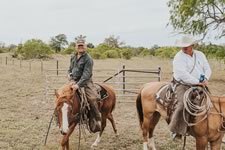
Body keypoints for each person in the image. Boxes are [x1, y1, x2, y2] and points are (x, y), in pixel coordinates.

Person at [169, 36, 212, 137]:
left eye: (186, 46)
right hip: (183, 84)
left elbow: (207, 68)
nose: (184, 48)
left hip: (200, 83)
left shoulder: (200, 55)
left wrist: (205, 78)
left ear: (192, 45)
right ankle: (177, 131)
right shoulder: (178, 57)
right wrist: (197, 82)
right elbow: (182, 74)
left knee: (211, 104)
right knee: (182, 105)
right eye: (182, 46)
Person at [68, 35, 101, 132]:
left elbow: (87, 74)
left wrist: (78, 85)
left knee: (92, 98)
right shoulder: (73, 56)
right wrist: (71, 79)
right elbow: (70, 69)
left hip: (85, 82)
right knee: (63, 97)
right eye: (79, 46)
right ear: (76, 46)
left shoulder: (88, 59)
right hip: (73, 81)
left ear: (85, 46)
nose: (80, 47)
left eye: (82, 46)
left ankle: (97, 119)